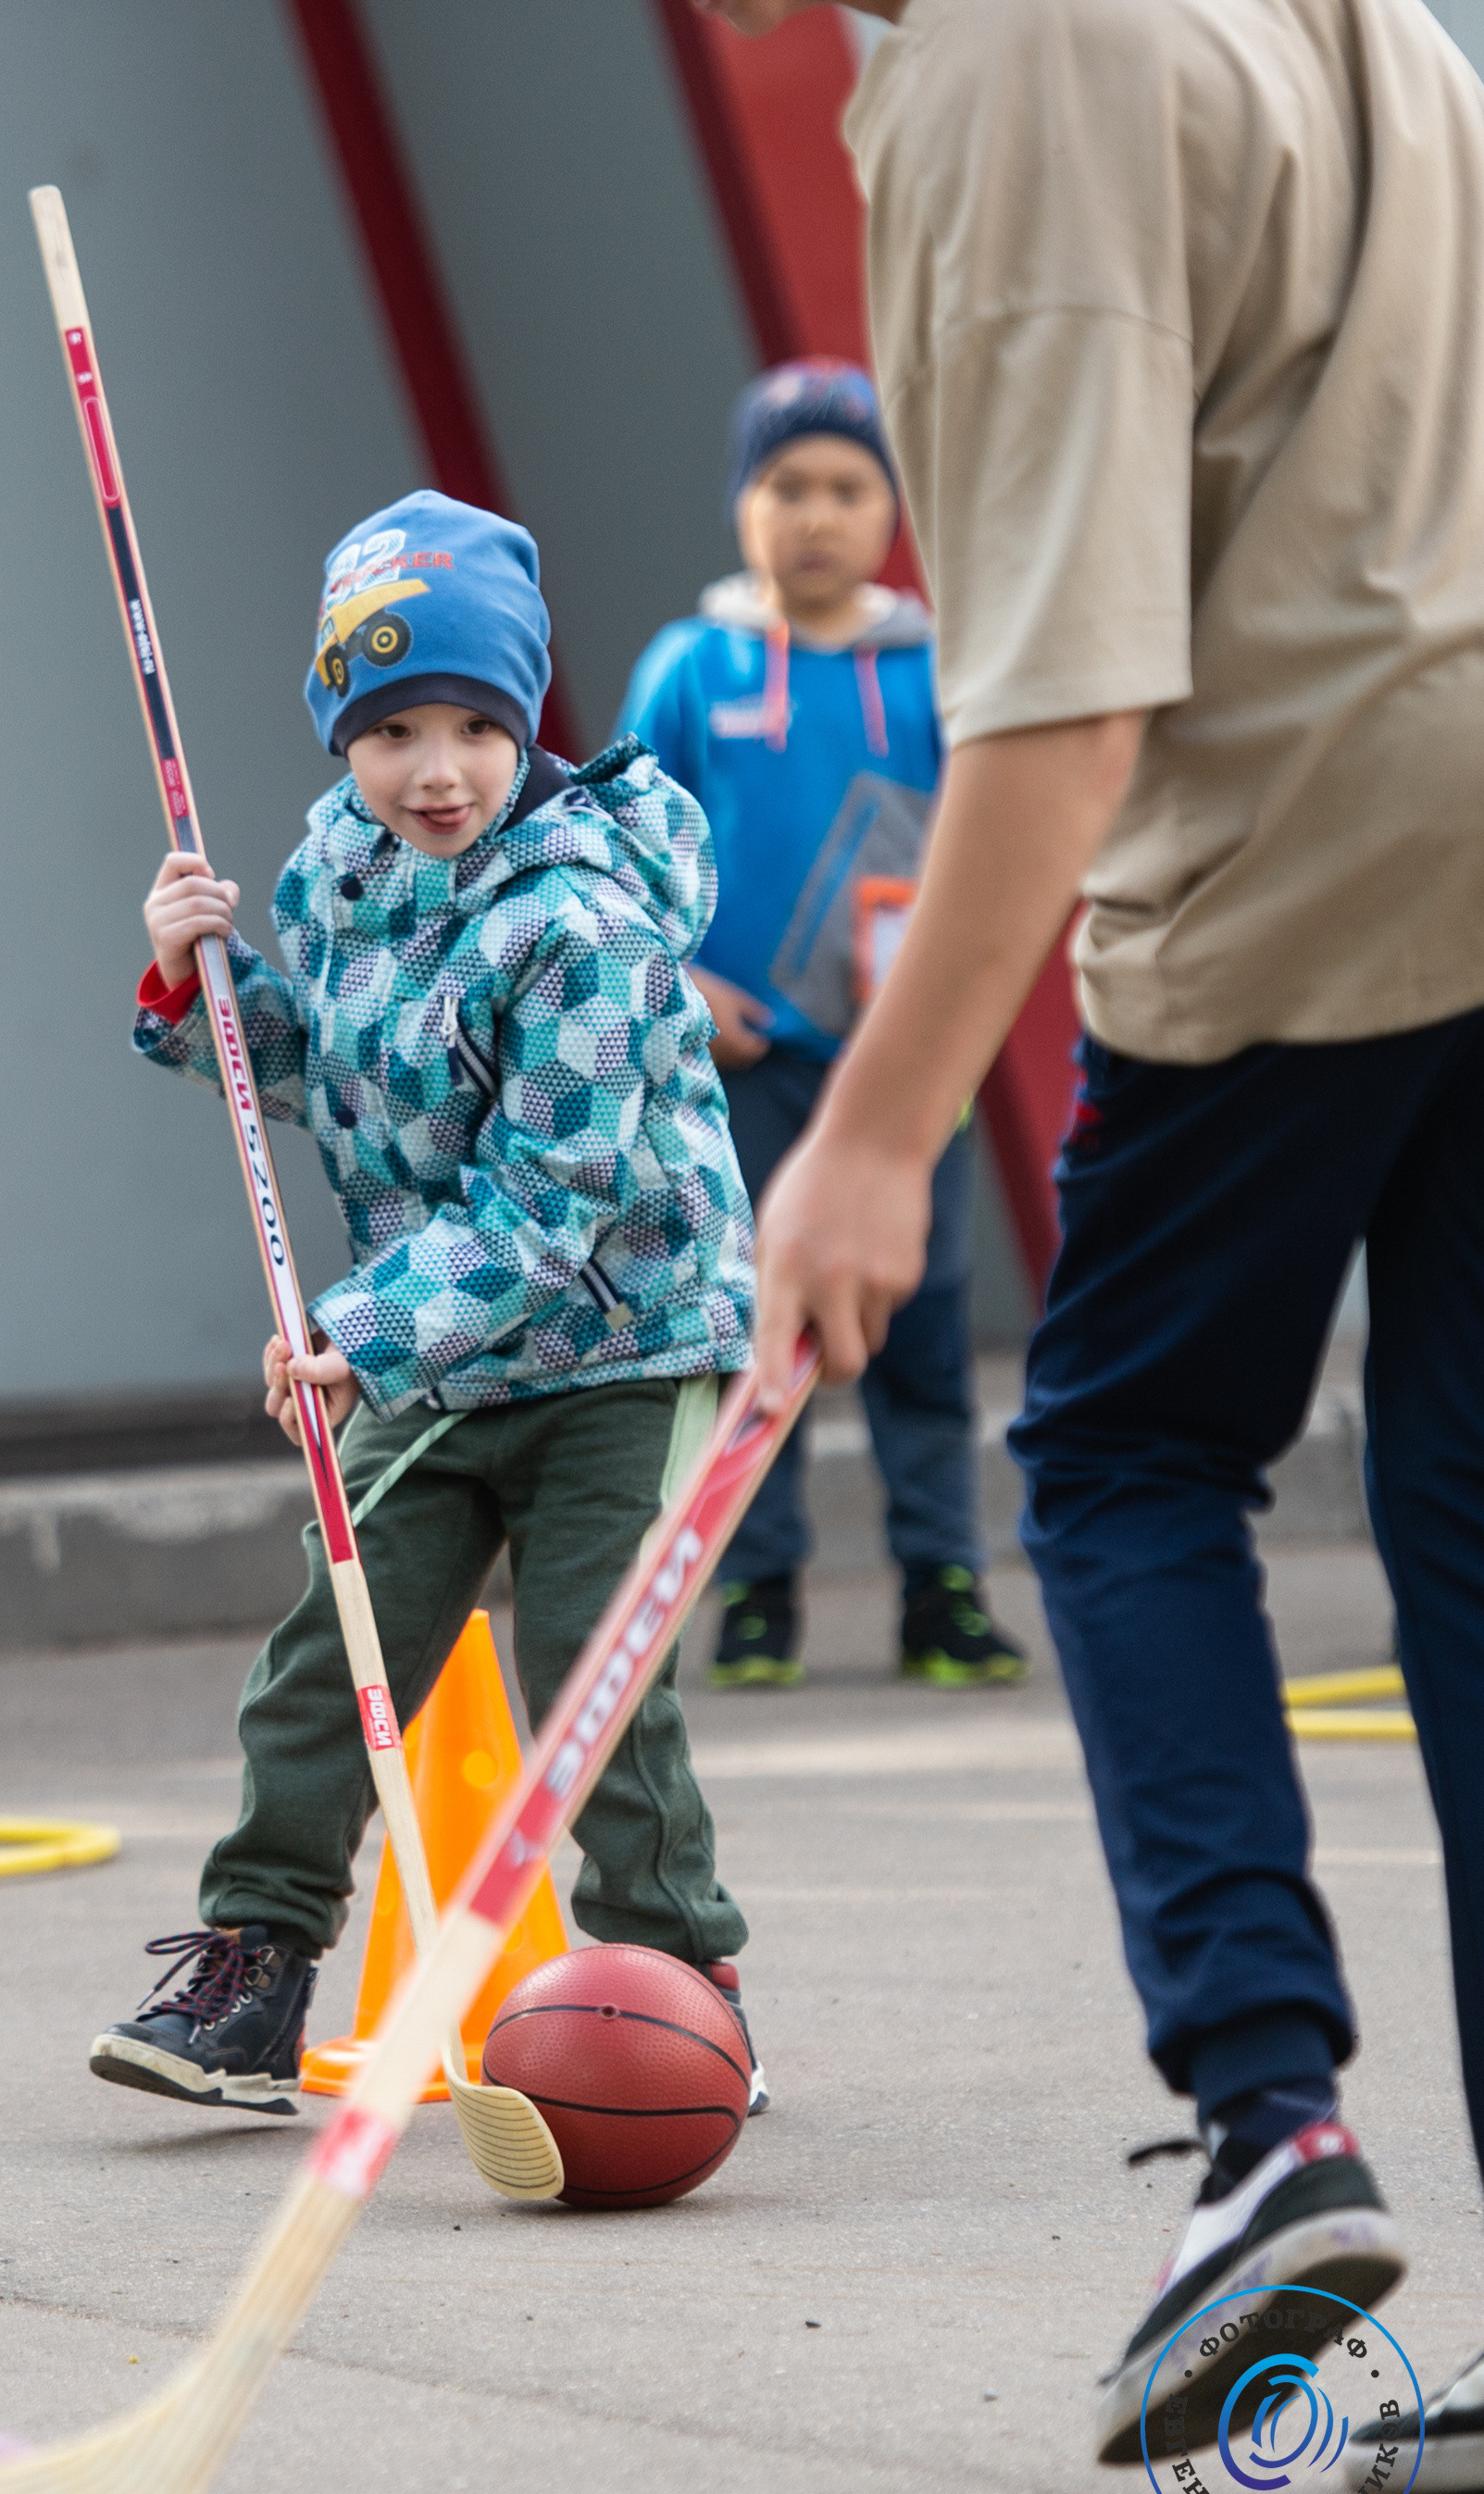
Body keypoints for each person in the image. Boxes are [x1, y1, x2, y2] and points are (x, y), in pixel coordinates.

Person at [717, 0, 1484, 2488]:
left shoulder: (1016, 63)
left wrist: (872, 1134)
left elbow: (1062, 705)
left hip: (1312, 829)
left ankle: (1270, 2123)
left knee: (1124, 1450)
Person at [90, 491, 767, 2116]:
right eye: (393, 729)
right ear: (343, 735)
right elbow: (335, 1077)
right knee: (331, 1651)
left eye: (475, 722)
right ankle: (256, 1966)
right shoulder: (340, 876)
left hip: (625, 1341)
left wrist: (359, 1332)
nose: (437, 768)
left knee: (596, 1674)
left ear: (528, 716)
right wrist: (197, 983)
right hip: (447, 1355)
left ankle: (680, 1990)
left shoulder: (584, 918)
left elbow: (551, 1204)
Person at [619, 360, 1025, 1691]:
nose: (815, 515)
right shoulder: (692, 667)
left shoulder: (943, 673)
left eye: (848, 487)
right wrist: (682, 986)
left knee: (922, 1333)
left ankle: (943, 1585)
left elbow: (997, 855)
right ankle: (757, 1588)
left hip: (906, 1074)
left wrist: (946, 1022)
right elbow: (616, 858)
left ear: (892, 509)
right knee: (750, 1330)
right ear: (742, 502)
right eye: (785, 484)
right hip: (743, 1070)